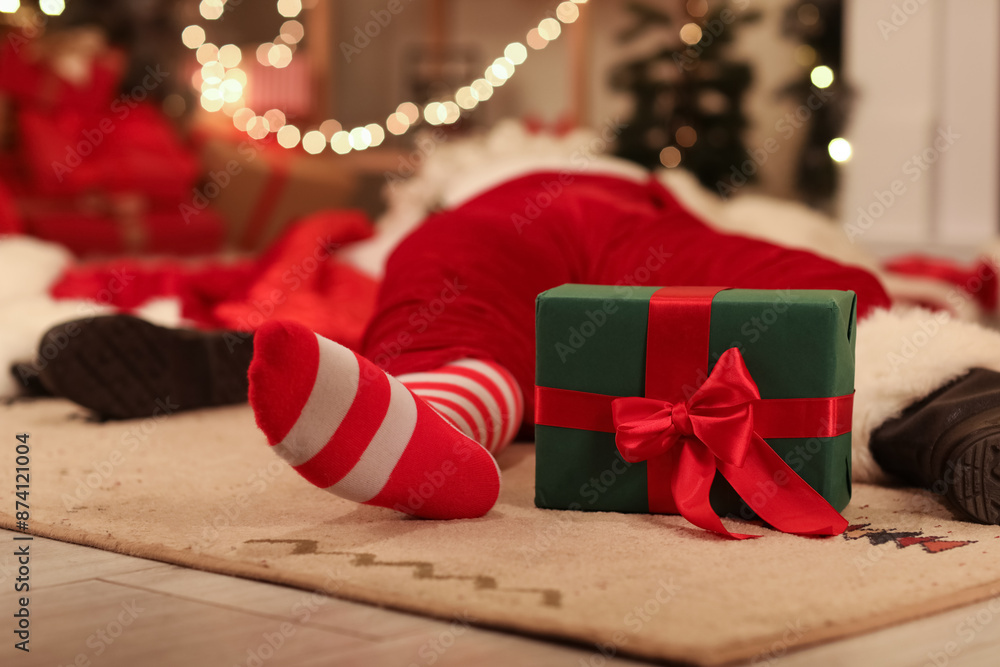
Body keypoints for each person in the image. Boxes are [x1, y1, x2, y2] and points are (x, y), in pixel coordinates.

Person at [22, 142, 1000, 527]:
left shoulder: (570, 188)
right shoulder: (438, 215)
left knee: (819, 294)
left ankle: (955, 413)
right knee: (443, 298)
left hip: (607, 224)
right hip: (522, 234)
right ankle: (432, 420)